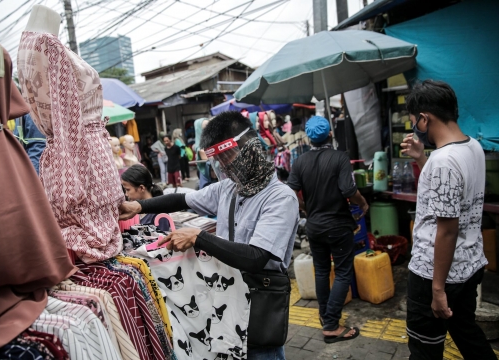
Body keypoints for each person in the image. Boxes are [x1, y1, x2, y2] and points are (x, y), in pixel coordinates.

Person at [119, 111, 299, 360]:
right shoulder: (228, 188)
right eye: (217, 159)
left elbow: (256, 257)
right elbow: (182, 198)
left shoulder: (280, 198)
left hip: (260, 301)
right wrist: (138, 207)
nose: (224, 165)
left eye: (227, 155)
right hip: (225, 301)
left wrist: (199, 237)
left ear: (250, 147)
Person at [400, 80, 494, 360]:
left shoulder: (443, 161)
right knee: (466, 332)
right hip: (469, 266)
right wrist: (420, 157)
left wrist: (437, 289)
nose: (415, 127)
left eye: (414, 121)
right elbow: (449, 194)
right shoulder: (473, 147)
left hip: (435, 274)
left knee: (424, 349)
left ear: (425, 119)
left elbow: (448, 231)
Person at [287, 116, 368, 344]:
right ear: (329, 135)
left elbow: (291, 193)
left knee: (322, 271)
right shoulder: (339, 158)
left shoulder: (300, 162)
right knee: (343, 272)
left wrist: (305, 208)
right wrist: (362, 203)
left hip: (314, 226)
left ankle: (325, 316)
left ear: (309, 138)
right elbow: (348, 190)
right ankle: (331, 325)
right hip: (338, 225)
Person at [121, 164, 170, 231]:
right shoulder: (134, 209)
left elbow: (163, 239)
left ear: (141, 188)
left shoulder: (159, 214)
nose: (126, 194)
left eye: (128, 190)